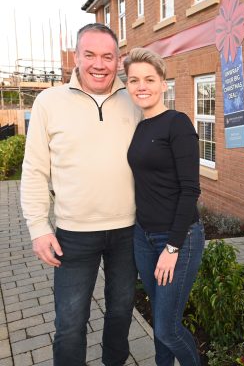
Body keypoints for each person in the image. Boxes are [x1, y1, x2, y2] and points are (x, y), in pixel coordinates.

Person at [20, 23, 142, 366]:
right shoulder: (49, 102)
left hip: (128, 231)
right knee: (70, 322)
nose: (99, 64)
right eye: (90, 55)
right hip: (73, 235)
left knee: (120, 313)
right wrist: (38, 228)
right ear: (77, 56)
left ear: (119, 60)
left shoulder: (135, 101)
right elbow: (34, 170)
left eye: (108, 56)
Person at [124, 47, 204, 366]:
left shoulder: (177, 123)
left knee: (168, 329)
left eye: (149, 79)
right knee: (159, 325)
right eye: (134, 80)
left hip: (176, 239)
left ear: (163, 84)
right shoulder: (140, 127)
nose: (141, 86)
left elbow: (190, 189)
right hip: (143, 237)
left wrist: (172, 247)